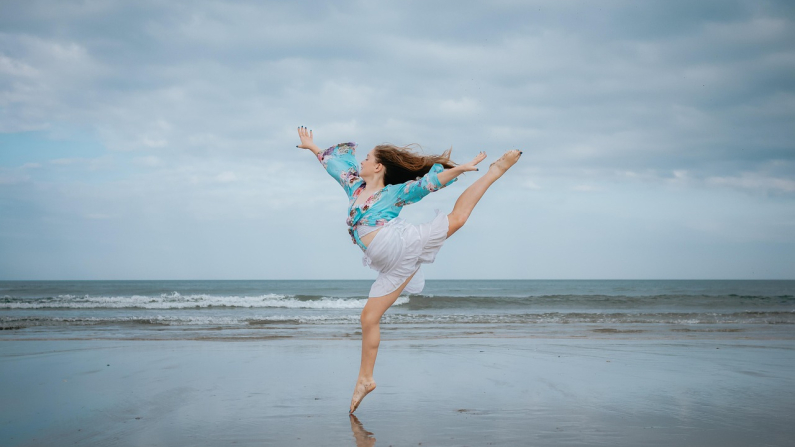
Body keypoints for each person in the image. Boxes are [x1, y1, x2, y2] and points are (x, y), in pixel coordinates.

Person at [296, 126, 521, 413]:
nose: (360, 161)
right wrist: (313, 146)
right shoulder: (353, 186)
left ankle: (494, 172)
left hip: (402, 244)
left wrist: (461, 169)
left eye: (366, 158)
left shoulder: (395, 193)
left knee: (458, 219)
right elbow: (333, 165)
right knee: (368, 319)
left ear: (378, 166)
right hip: (389, 267)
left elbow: (429, 184)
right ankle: (365, 379)